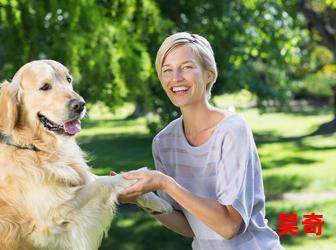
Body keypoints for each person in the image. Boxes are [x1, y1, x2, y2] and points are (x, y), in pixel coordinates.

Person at [118, 32, 283, 250]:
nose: (175, 77)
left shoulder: (232, 130)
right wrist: (143, 198)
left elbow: (229, 226)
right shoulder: (164, 143)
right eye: (167, 70)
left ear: (209, 75)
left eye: (186, 67)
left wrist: (164, 183)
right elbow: (190, 225)